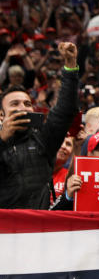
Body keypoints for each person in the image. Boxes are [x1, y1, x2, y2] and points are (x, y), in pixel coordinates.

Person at [0, 42, 79, 209]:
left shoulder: (43, 139)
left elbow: (65, 110)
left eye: (27, 104)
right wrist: (1, 139)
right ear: (1, 114)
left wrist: (70, 67)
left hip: (36, 228)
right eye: (14, 104)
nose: (22, 108)